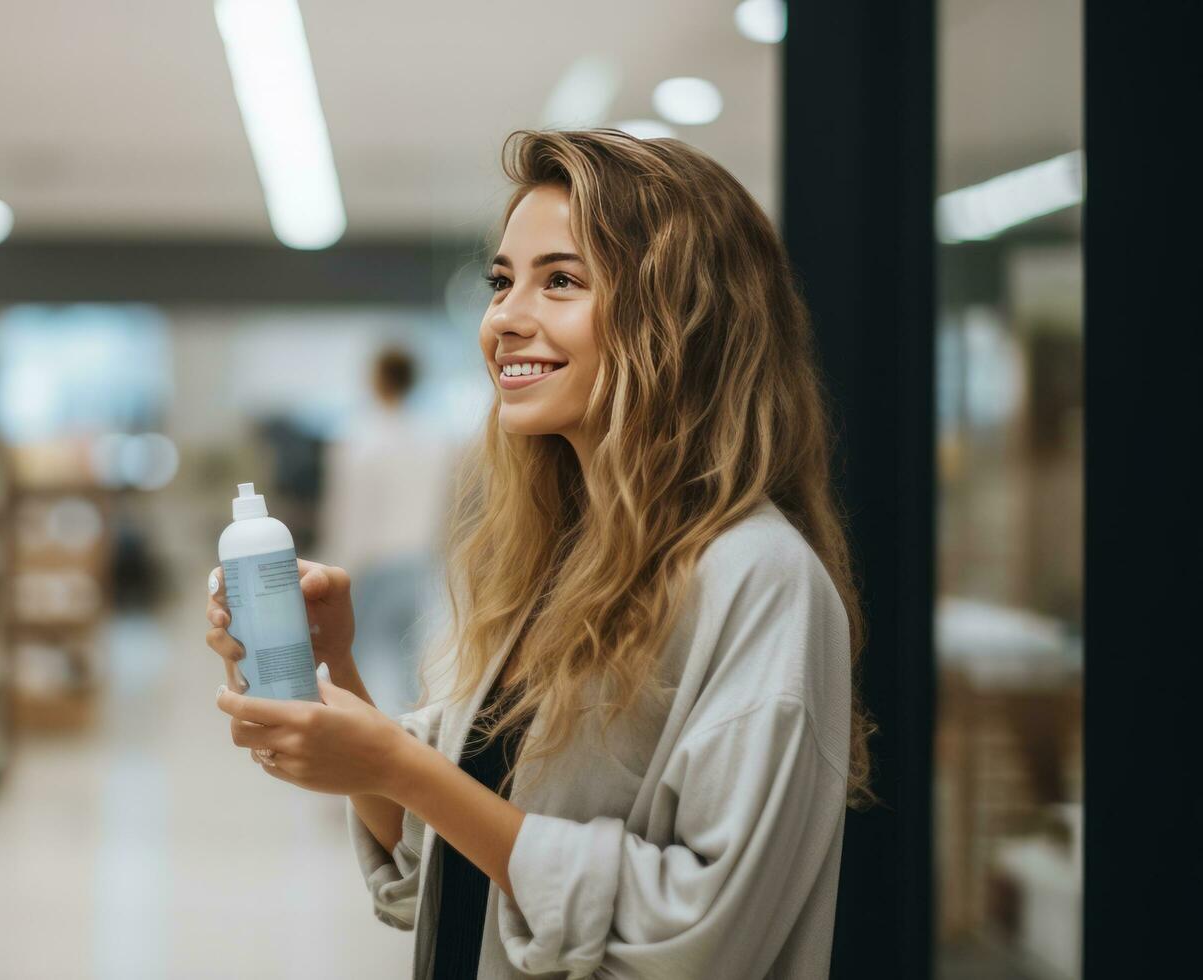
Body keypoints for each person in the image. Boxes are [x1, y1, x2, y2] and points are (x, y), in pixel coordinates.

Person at [202, 129, 871, 979]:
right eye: (500, 281)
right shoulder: (557, 558)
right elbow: (451, 862)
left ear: (683, 315)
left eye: (560, 280)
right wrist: (334, 671)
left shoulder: (757, 578)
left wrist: (402, 765)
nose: (504, 319)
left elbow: (704, 932)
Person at [320, 346, 455, 716]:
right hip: (419, 560)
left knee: (347, 658)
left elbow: (348, 512)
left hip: (372, 564)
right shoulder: (434, 438)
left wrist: (336, 571)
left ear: (377, 379)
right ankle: (410, 741)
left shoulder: (359, 437)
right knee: (409, 661)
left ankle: (350, 735)